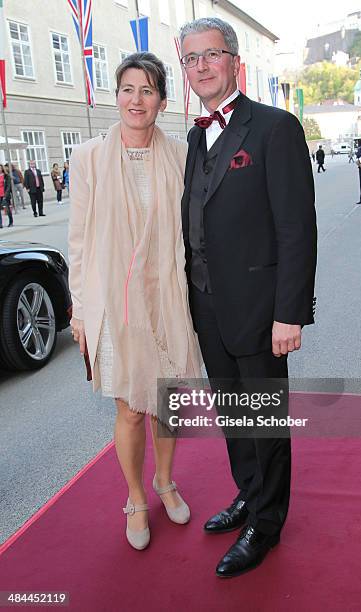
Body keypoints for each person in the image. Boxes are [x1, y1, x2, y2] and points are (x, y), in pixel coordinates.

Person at [180, 17, 317, 578]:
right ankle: (248, 493)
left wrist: (290, 312)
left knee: (265, 419)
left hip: (263, 312)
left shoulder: (275, 128)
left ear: (234, 61)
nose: (201, 67)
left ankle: (268, 521)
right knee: (235, 416)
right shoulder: (193, 136)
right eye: (190, 59)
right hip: (208, 306)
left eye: (210, 55)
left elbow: (296, 228)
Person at [68, 52, 202, 552]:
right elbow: (79, 240)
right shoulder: (89, 158)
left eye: (147, 90)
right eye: (128, 88)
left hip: (167, 296)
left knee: (167, 405)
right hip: (115, 306)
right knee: (128, 410)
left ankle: (165, 482)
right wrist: (80, 311)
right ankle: (135, 497)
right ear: (116, 96)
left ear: (162, 101)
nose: (136, 99)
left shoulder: (181, 155)